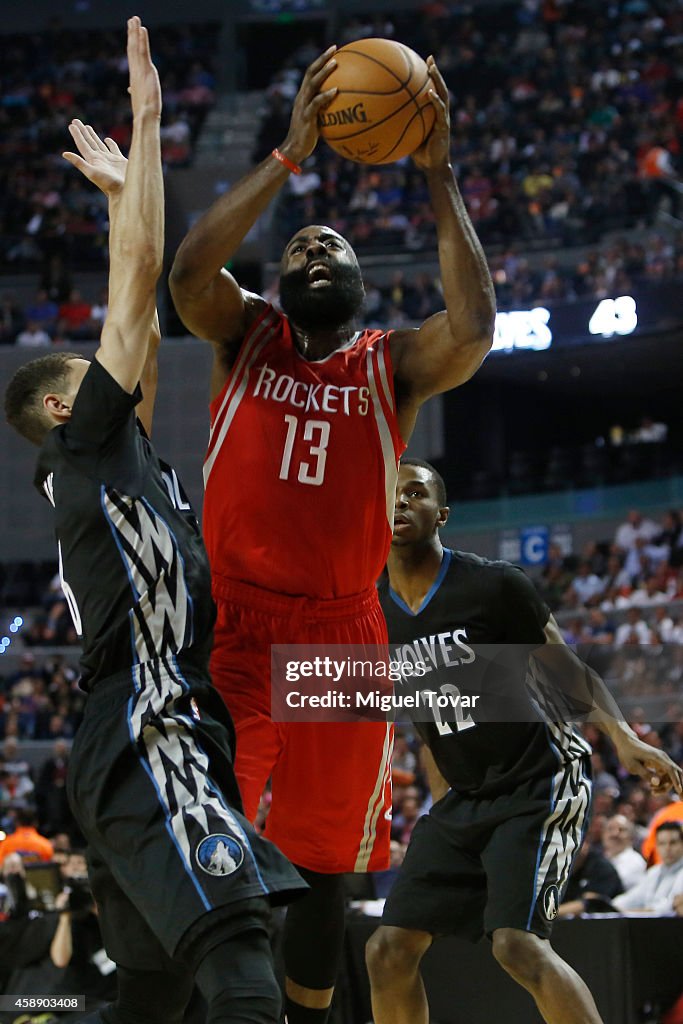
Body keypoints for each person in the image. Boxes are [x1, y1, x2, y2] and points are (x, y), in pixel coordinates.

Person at [169, 46, 495, 1024]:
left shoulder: (389, 365)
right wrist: (286, 158)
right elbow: (189, 270)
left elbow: (473, 326)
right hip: (232, 625)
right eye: (300, 246)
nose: (313, 253)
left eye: (332, 249)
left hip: (339, 637)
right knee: (205, 845)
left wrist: (436, 174)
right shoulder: (245, 332)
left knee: (322, 867)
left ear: (358, 283)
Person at [3, 19, 305, 1024]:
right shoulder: (80, 447)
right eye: (95, 380)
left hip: (156, 720)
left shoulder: (114, 454)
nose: (119, 382)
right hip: (147, 722)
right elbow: (134, 301)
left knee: (153, 992)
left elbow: (148, 341)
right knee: (239, 955)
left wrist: (125, 204)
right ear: (61, 406)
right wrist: (145, 120)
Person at [367, 458, 683, 1024]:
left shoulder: (493, 584)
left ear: (442, 514)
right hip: (466, 797)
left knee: (516, 944)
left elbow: (562, 663)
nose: (399, 503)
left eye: (414, 493)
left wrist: (624, 739)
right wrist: (444, 802)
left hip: (541, 779)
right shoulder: (374, 609)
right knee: (387, 950)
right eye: (389, 493)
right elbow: (425, 715)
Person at [612, 822, 683, 914]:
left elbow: (669, 907)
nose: (667, 848)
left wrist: (629, 912)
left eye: (672, 843)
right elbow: (633, 898)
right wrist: (609, 906)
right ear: (656, 846)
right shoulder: (654, 872)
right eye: (662, 843)